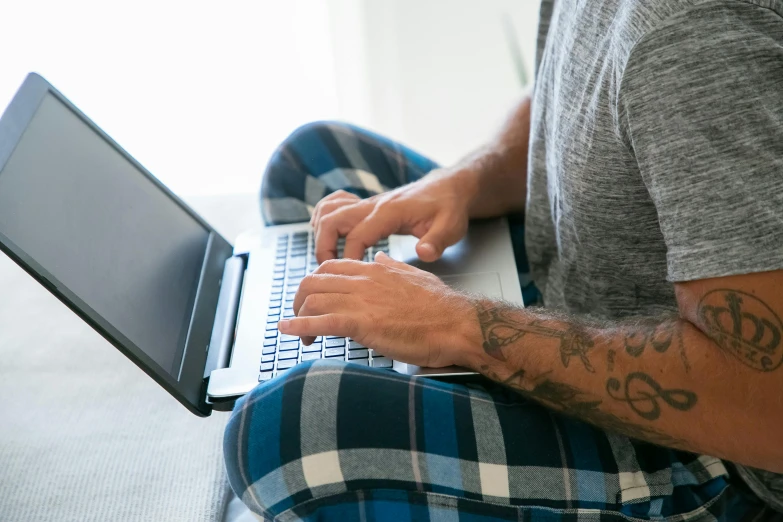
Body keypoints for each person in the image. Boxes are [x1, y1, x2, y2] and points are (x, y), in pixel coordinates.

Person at [223, 0, 783, 520]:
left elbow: (763, 403)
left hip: (713, 447)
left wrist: (462, 326)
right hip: (566, 281)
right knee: (313, 163)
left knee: (285, 430)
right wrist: (466, 180)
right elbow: (569, 86)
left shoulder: (700, 35)